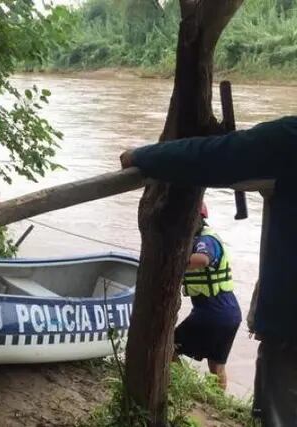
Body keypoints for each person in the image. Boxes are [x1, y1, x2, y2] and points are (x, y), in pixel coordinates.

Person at [119, 115, 297, 425]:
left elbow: (213, 156)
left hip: (264, 324)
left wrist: (143, 156)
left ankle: (196, 393)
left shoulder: (289, 138)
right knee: (217, 363)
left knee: (178, 348)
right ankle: (215, 395)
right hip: (229, 314)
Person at [174, 202, 242, 390]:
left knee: (169, 348)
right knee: (217, 363)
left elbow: (203, 259)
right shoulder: (200, 238)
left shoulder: (205, 240)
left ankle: (183, 388)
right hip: (231, 313)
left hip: (211, 311)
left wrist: (172, 262)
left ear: (199, 220)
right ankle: (219, 401)